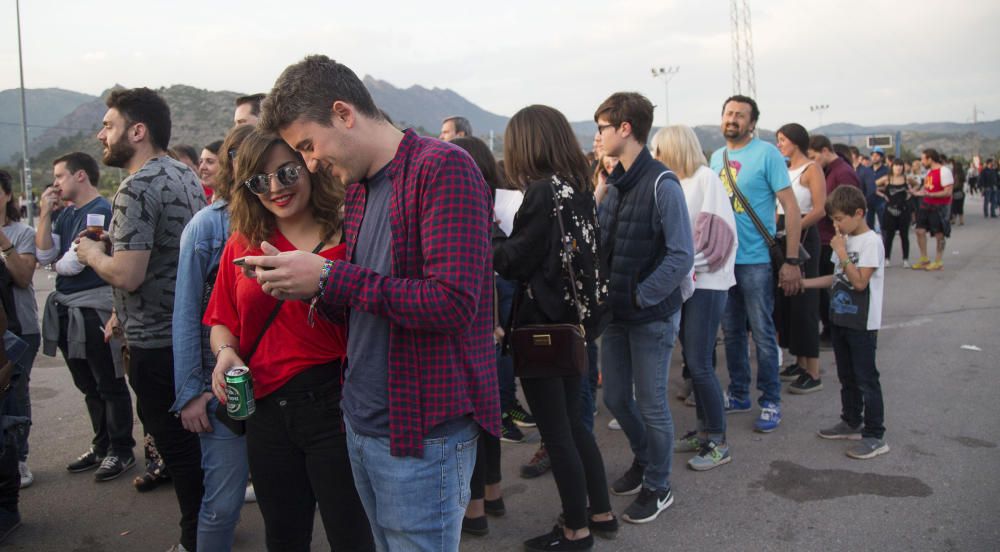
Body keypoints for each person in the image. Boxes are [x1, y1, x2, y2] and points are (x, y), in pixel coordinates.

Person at [251, 55, 500, 551]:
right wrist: (303, 284)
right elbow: (371, 300)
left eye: (308, 145)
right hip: (362, 420)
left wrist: (328, 276)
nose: (310, 162)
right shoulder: (360, 190)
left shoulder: (443, 167)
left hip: (422, 432)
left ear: (344, 113)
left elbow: (453, 303)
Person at [205, 129, 373, 551]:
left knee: (352, 534)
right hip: (265, 412)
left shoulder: (349, 234)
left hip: (336, 407)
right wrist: (224, 352)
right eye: (259, 181)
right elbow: (222, 319)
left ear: (309, 165)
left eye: (286, 172)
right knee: (283, 535)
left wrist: (320, 283)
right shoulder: (240, 242)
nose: (275, 188)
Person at [76, 87, 206, 552]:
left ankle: (196, 539)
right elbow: (164, 258)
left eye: (109, 126)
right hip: (187, 331)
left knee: (178, 448)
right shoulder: (184, 175)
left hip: (153, 342)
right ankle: (209, 527)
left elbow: (129, 274)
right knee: (196, 446)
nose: (101, 134)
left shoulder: (136, 186)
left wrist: (92, 252)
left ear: (138, 130)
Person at [490, 105, 615, 551]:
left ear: (526, 145)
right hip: (573, 325)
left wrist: (488, 231)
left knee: (556, 432)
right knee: (576, 426)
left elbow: (513, 260)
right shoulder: (577, 186)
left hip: (542, 328)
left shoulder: (542, 192)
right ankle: (600, 511)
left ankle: (576, 529)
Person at [597, 92, 694, 523]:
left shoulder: (663, 184)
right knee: (617, 397)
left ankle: (659, 484)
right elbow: (604, 243)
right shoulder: (615, 183)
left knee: (652, 404)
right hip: (616, 314)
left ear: (624, 129)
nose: (597, 137)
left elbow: (681, 256)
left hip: (650, 315)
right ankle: (644, 460)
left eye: (602, 128)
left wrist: (640, 294)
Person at [172, 124, 253, 551]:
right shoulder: (206, 227)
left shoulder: (294, 220)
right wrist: (190, 392)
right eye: (243, 154)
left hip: (283, 390)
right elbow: (186, 314)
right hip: (220, 389)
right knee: (221, 505)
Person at [35, 154, 135, 484]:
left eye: (59, 176)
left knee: (109, 382)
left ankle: (120, 448)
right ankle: (102, 444)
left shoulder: (99, 212)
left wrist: (54, 263)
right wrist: (45, 215)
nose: (55, 184)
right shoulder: (65, 214)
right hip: (67, 307)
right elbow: (46, 255)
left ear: (80, 175)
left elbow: (72, 264)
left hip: (92, 308)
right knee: (88, 384)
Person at [709, 95, 802, 433]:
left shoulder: (768, 154)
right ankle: (738, 394)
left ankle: (770, 400)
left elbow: (790, 208)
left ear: (752, 123)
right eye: (728, 113)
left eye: (740, 115)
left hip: (756, 261)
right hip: (724, 261)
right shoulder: (716, 156)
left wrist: (791, 260)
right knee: (731, 332)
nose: (732, 119)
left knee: (762, 333)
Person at [651, 125, 737, 471]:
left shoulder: (706, 179)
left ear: (673, 148)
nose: (653, 157)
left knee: (700, 364)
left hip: (707, 284)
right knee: (694, 362)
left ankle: (717, 440)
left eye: (658, 150)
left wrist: (678, 268)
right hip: (686, 283)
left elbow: (717, 242)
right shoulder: (677, 181)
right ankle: (703, 432)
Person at [448, 135, 508, 538]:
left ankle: (475, 510)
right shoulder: (496, 211)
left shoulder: (460, 210)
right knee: (490, 417)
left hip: (470, 334)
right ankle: (493, 492)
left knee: (469, 423)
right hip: (494, 332)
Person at [802, 185, 888, 459]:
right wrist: (805, 283)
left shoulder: (871, 242)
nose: (836, 225)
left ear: (859, 213)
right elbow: (837, 278)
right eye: (833, 220)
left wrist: (840, 252)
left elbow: (860, 282)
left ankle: (875, 434)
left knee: (866, 378)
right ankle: (851, 420)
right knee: (847, 376)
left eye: (839, 219)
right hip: (840, 319)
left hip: (862, 323)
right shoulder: (846, 240)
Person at [773, 124, 826, 394]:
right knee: (788, 302)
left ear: (796, 141)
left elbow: (820, 209)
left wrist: (796, 226)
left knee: (805, 300)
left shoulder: (812, 169)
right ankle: (800, 360)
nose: (780, 144)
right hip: (783, 234)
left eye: (783, 140)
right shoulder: (783, 169)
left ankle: (813, 370)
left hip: (804, 236)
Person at [0, 172, 39, 488]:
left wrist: (3, 242)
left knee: (15, 393)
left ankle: (20, 458)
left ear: (7, 196)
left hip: (21, 327)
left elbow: (24, 277)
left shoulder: (22, 233)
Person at [807, 136, 861, 346]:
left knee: (834, 289)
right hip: (825, 238)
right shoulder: (829, 171)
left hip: (833, 239)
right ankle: (830, 328)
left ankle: (834, 330)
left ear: (825, 151)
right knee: (825, 291)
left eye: (813, 157)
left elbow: (850, 209)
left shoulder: (843, 173)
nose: (812, 163)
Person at [912, 148, 953, 271]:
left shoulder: (944, 171)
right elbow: (927, 189)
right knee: (919, 230)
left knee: (939, 234)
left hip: (939, 207)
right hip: (926, 205)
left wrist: (931, 195)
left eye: (923, 159)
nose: (921, 161)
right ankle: (924, 259)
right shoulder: (929, 172)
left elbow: (948, 192)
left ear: (930, 159)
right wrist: (917, 192)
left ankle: (938, 261)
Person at [879, 158, 912, 267]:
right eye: (896, 165)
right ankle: (887, 258)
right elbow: (873, 185)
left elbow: (916, 185)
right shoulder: (887, 178)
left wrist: (910, 193)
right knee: (889, 236)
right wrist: (883, 195)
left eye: (900, 165)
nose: (898, 168)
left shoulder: (907, 179)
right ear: (892, 167)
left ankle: (906, 259)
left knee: (904, 236)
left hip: (904, 210)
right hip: (890, 211)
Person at [950, 161, 966, 226]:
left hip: (955, 192)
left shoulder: (955, 175)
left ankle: (954, 220)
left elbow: (955, 185)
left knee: (954, 207)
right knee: (960, 207)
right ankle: (961, 220)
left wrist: (951, 189)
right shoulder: (962, 174)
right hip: (961, 192)